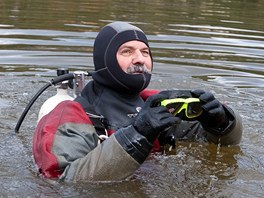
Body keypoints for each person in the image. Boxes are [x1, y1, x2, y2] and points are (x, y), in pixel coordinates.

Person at [33, 21, 242, 182]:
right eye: (127, 51)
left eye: (145, 52)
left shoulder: (156, 104)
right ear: (105, 60)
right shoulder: (69, 116)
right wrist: (138, 134)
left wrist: (223, 123)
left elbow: (220, 145)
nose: (140, 59)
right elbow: (63, 182)